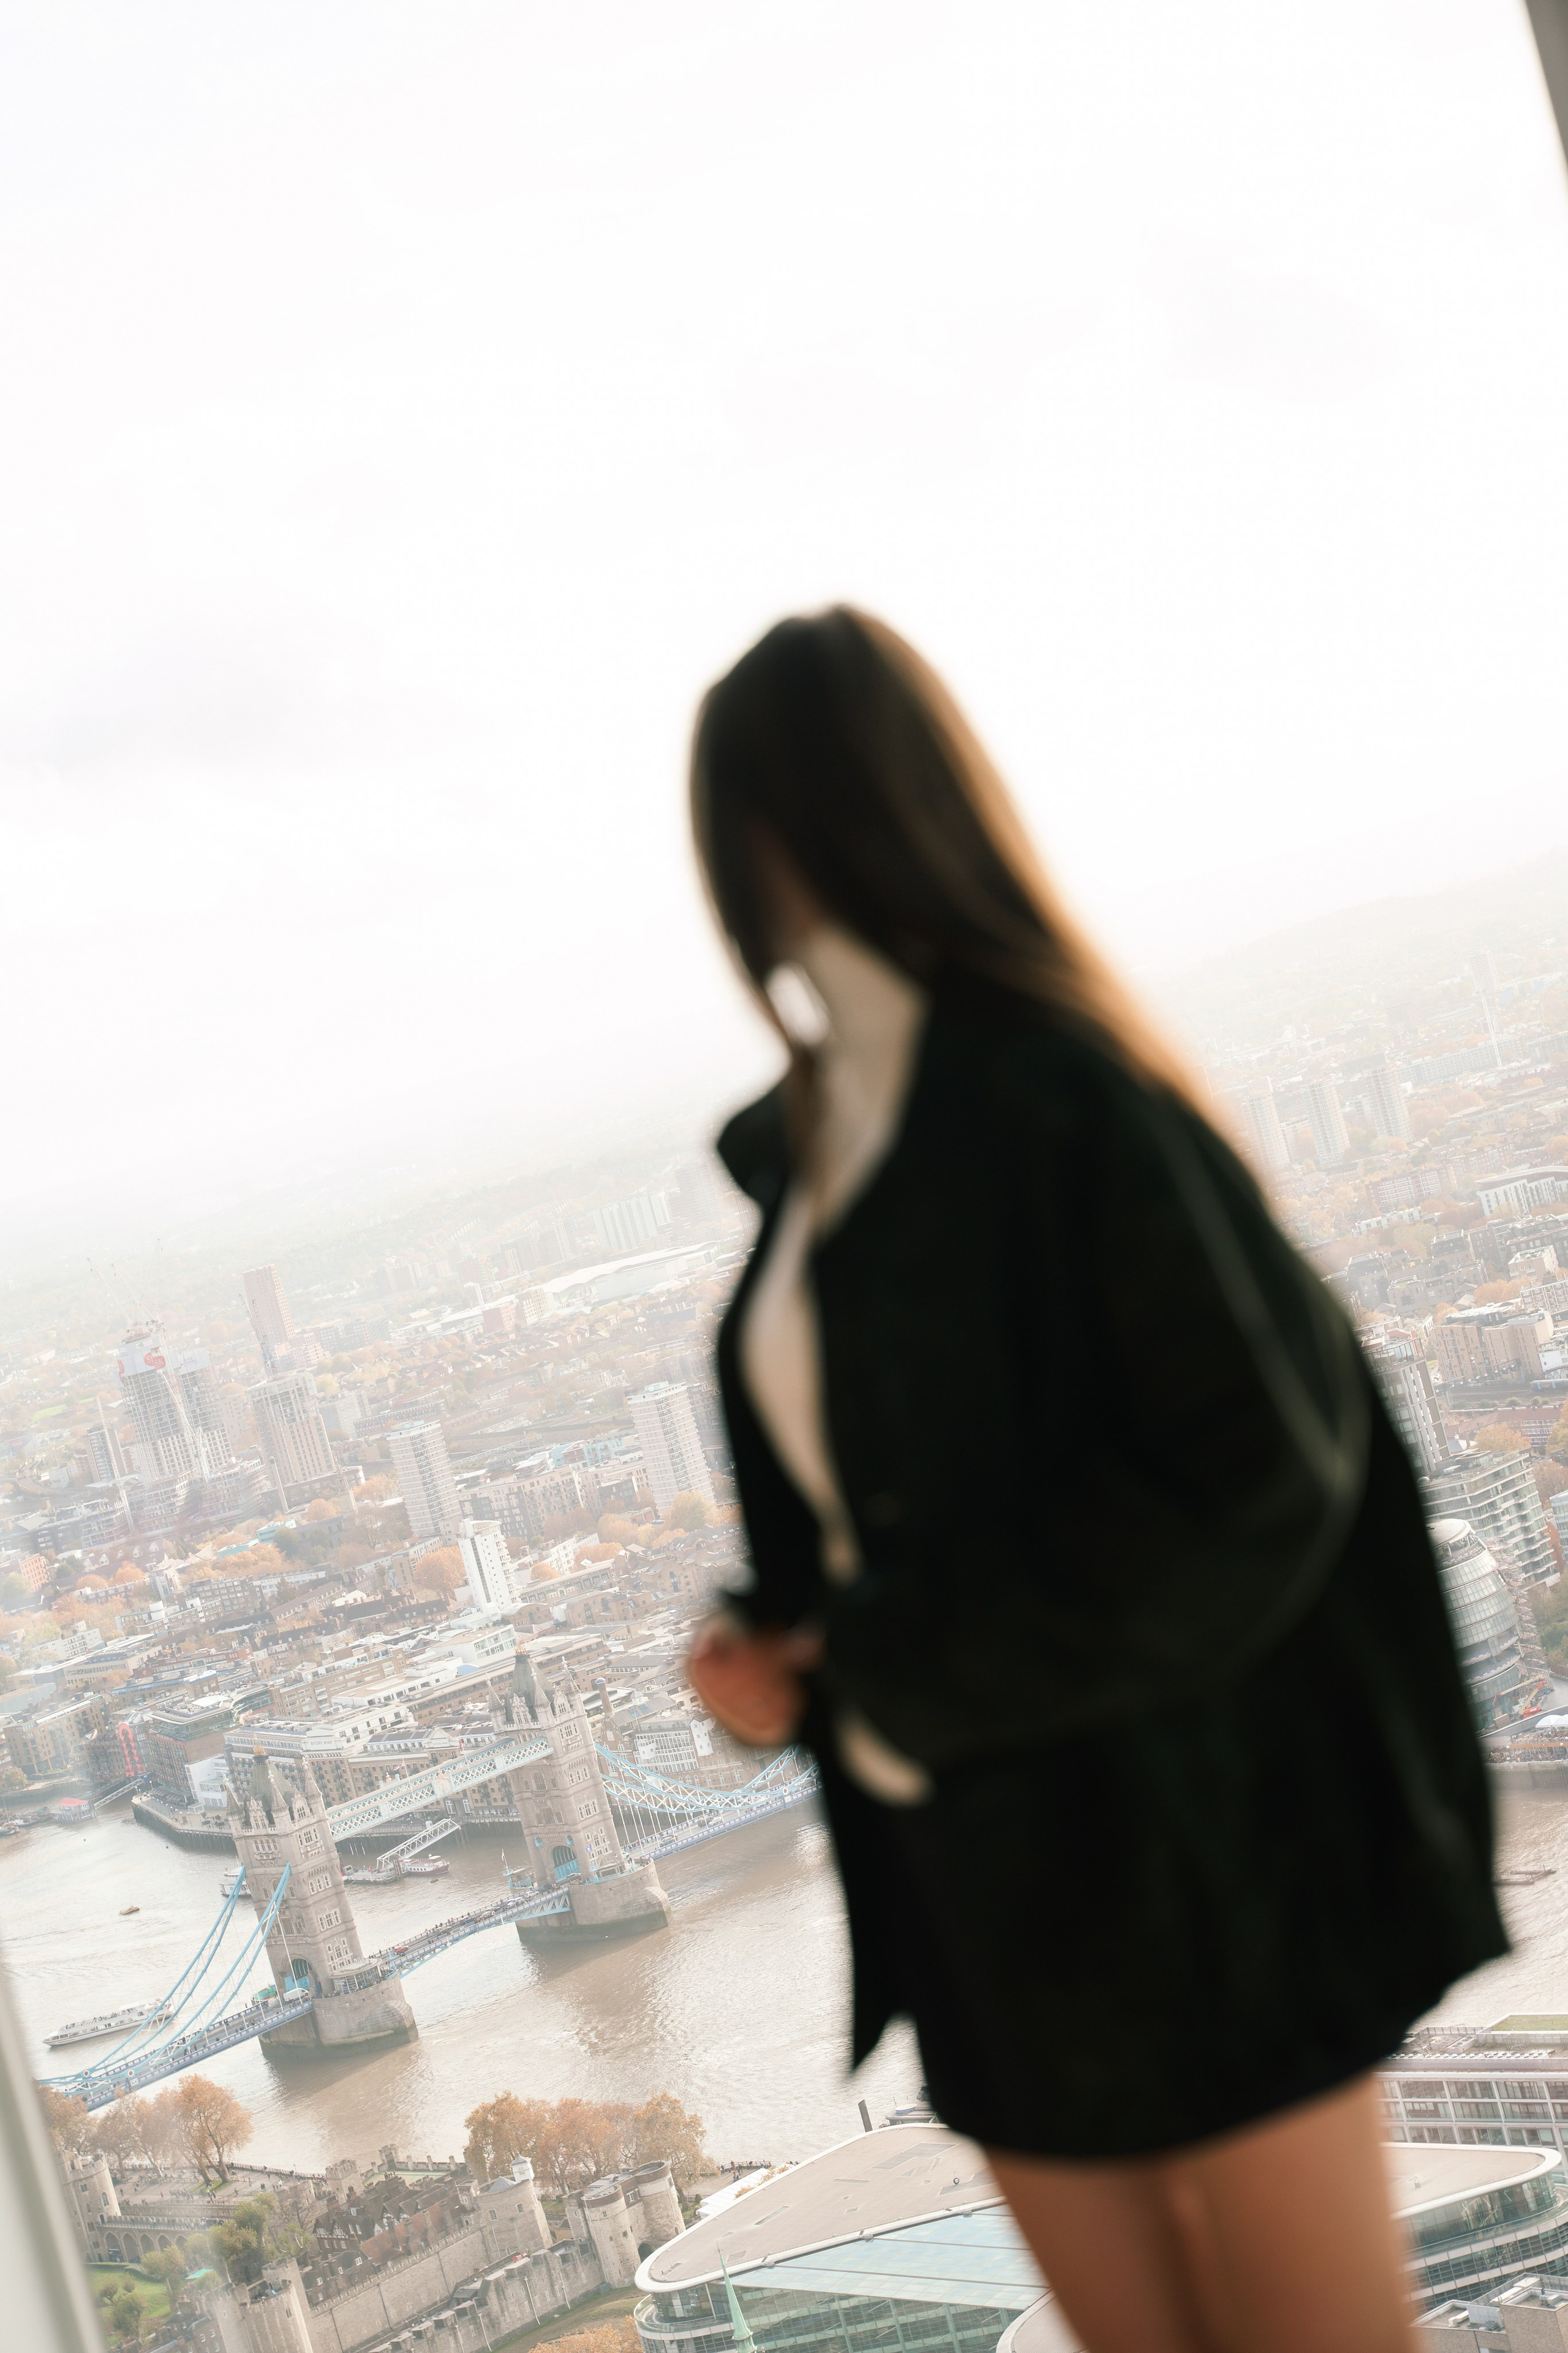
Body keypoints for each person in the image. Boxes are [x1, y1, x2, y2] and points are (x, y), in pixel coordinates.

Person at [683, 608, 1506, 2353]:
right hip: (981, 1895)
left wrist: (887, 1666)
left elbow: (1263, 1481)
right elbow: (881, 1521)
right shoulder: (814, 1159)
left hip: (1201, 1872)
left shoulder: (1064, 1102)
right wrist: (772, 1654)